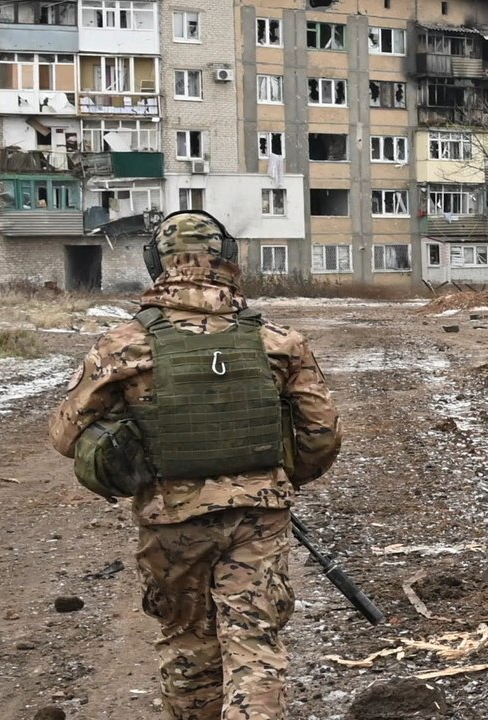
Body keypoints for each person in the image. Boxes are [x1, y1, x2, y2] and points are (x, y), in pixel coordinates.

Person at [48, 210, 342, 719]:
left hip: (171, 518)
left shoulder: (123, 345)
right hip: (259, 515)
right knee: (255, 647)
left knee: (189, 646)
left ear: (153, 263)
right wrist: (273, 478)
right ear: (227, 259)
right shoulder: (278, 341)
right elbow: (322, 436)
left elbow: (65, 435)